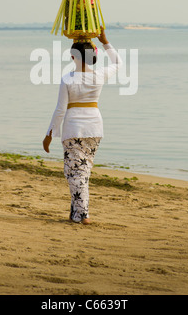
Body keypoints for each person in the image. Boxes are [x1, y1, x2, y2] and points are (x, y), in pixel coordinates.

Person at [43, 27, 122, 225]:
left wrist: (50, 134)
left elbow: (60, 110)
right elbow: (119, 63)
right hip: (95, 128)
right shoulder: (100, 75)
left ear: (72, 57)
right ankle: (75, 214)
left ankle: (83, 214)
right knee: (82, 170)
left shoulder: (68, 79)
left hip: (74, 128)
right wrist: (105, 42)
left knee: (75, 172)